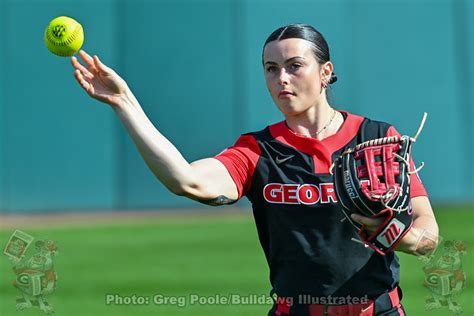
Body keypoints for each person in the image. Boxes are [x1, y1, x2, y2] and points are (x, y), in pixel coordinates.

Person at [71, 24, 439, 316]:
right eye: (271, 68)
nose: (282, 78)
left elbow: (428, 237)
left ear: (326, 72)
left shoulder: (375, 139)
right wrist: (124, 103)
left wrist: (389, 232)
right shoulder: (257, 151)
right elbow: (185, 180)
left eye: (295, 66)